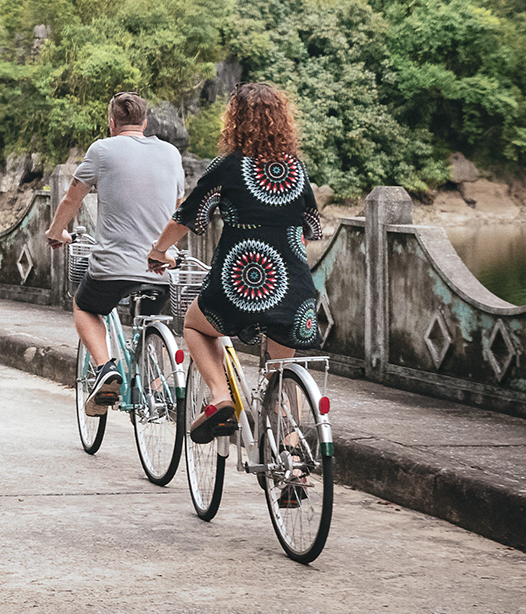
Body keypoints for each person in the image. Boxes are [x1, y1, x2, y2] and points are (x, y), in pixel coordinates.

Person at [147, 82, 326, 444]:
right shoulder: (296, 168)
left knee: (195, 325)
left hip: (239, 282)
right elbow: (310, 223)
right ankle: (291, 458)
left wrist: (157, 251)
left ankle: (220, 397)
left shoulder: (227, 167)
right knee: (280, 369)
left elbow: (186, 217)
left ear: (235, 121)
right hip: (293, 287)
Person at [43, 92, 185, 415]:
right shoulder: (171, 153)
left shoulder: (102, 150)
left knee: (85, 305)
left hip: (112, 268)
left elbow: (71, 199)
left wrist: (55, 233)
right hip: (160, 268)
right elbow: (180, 210)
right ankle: (157, 387)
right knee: (150, 319)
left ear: (112, 124)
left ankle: (106, 367)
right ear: (145, 123)